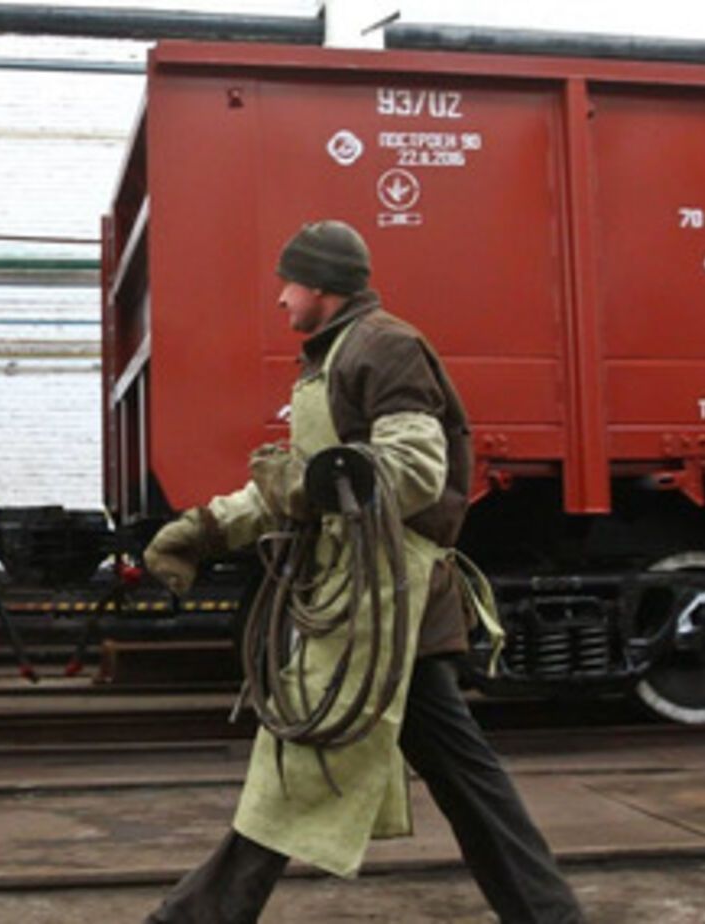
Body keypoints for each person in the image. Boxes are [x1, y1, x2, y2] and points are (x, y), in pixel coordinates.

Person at [141, 220, 583, 923]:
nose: (279, 298)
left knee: (301, 758)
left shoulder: (385, 348)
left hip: (383, 601)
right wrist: (200, 531)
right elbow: (304, 486)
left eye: (287, 282)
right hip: (363, 599)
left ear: (319, 285)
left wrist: (303, 485)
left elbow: (410, 470)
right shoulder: (333, 356)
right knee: (455, 777)